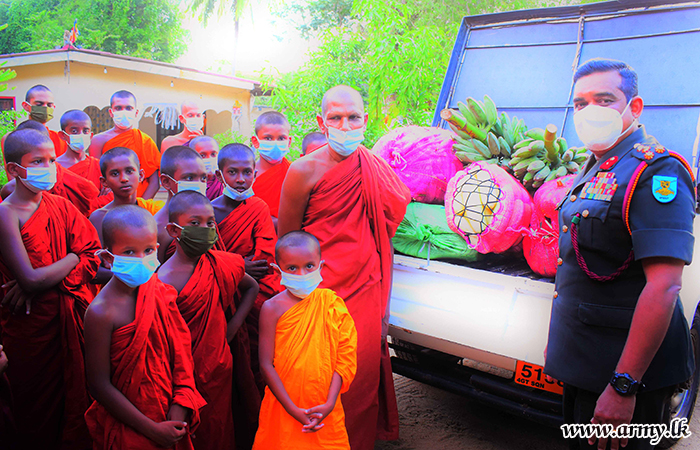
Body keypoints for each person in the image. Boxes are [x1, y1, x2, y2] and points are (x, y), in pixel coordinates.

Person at [543, 59, 697, 450]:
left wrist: (624, 385)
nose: (589, 111)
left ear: (635, 107)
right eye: (580, 104)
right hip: (588, 362)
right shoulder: (597, 165)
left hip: (627, 375)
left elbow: (664, 286)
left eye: (604, 100)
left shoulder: (656, 170)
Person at [278, 85, 410, 449]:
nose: (345, 125)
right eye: (335, 118)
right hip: (317, 296)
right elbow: (286, 241)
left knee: (358, 384)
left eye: (353, 117)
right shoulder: (302, 170)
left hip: (366, 294)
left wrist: (384, 304)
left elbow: (385, 240)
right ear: (322, 122)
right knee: (315, 384)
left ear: (365, 120)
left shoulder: (375, 168)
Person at [0, 128, 101, 448]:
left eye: (51, 160)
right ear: (14, 170)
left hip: (70, 320)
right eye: (38, 161)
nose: (49, 168)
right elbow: (29, 280)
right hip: (29, 328)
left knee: (73, 405)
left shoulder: (62, 206)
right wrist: (71, 257)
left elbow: (92, 257)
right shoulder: (6, 213)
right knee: (33, 410)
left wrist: (47, 276)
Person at [83, 205, 206, 450]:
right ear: (108, 258)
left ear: (157, 250)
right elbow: (99, 384)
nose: (141, 259)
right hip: (130, 423)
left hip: (170, 413)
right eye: (129, 252)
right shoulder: (100, 312)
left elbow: (181, 355)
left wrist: (180, 406)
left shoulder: (160, 293)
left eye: (148, 250)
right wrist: (151, 429)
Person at [158, 191, 260, 450]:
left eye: (210, 223)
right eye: (194, 223)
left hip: (218, 366)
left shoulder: (221, 263)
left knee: (218, 430)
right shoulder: (163, 278)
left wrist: (232, 327)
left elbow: (251, 287)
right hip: (179, 375)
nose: (204, 229)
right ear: (173, 230)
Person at [253, 231, 357, 450]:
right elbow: (265, 364)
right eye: (292, 268)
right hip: (283, 405)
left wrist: (329, 403)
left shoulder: (331, 304)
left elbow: (344, 358)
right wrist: (292, 409)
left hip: (325, 406)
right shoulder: (271, 309)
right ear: (277, 269)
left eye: (309, 266)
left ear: (321, 265)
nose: (301, 273)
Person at [212, 143, 282, 391]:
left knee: (255, 363)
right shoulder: (209, 211)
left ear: (255, 173)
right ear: (220, 175)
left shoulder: (258, 208)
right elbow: (206, 260)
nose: (241, 179)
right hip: (217, 295)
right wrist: (241, 265)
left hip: (253, 297)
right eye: (233, 172)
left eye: (247, 172)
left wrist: (230, 266)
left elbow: (263, 262)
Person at [88, 90, 161, 199]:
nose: (124, 112)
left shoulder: (145, 141)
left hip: (138, 201)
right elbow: (96, 178)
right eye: (118, 108)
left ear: (136, 113)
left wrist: (139, 207)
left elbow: (154, 183)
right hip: (108, 203)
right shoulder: (97, 141)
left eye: (128, 108)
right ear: (111, 112)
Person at [89, 147, 165, 244]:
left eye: (129, 171)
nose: (124, 179)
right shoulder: (99, 217)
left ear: (141, 175)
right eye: (115, 174)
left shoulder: (155, 212)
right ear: (104, 182)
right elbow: (99, 256)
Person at [154, 146, 216, 262]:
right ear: (166, 182)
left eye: (203, 178)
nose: (199, 184)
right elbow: (157, 275)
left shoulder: (207, 219)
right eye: (189, 178)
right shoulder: (157, 228)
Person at [57, 110, 113, 207]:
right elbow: (54, 201)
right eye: (74, 131)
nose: (81, 135)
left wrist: (92, 205)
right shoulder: (56, 168)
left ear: (91, 135)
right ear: (63, 135)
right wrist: (96, 202)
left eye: (85, 131)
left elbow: (111, 196)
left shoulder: (98, 166)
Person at [251, 111, 293, 222]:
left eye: (281, 138)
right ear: (255, 141)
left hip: (287, 235)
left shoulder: (294, 172)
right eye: (268, 138)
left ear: (289, 142)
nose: (275, 143)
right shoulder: (246, 175)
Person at [21, 84, 67, 156]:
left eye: (49, 105)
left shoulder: (60, 139)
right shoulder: (14, 138)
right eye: (39, 104)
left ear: (53, 107)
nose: (45, 108)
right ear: (26, 106)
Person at [190, 135, 224, 200]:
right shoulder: (187, 183)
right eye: (202, 155)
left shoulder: (225, 182)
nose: (209, 159)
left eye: (213, 154)